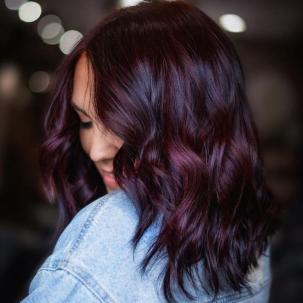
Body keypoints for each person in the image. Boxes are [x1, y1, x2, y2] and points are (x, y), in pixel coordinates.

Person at [20, 0, 281, 302]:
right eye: (86, 121)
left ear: (189, 123)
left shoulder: (114, 230)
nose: (96, 151)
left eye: (121, 126)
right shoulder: (246, 225)